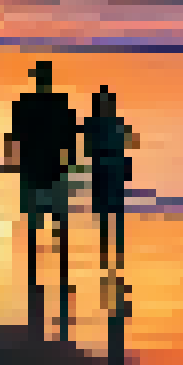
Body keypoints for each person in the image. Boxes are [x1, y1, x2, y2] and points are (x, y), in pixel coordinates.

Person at [7, 59, 79, 338]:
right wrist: (70, 163)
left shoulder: (27, 103)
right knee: (55, 227)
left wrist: (15, 161)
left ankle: (39, 277)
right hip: (51, 171)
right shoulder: (58, 103)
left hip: (37, 171)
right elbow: (71, 138)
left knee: (40, 227)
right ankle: (57, 276)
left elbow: (14, 136)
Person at [82, 84, 139, 269]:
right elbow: (88, 149)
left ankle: (117, 254)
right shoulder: (99, 123)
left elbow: (130, 143)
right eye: (104, 101)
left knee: (115, 215)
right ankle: (107, 255)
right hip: (105, 170)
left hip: (112, 170)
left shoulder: (111, 123)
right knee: (106, 217)